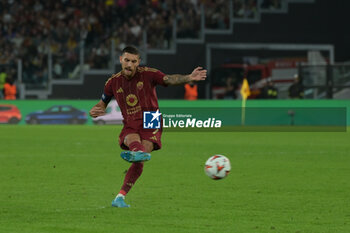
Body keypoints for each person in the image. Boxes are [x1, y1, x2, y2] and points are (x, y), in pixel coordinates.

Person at [89, 46, 207, 208]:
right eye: (127, 60)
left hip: (151, 118)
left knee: (141, 157)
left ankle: (124, 186)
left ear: (138, 62)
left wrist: (189, 77)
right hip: (130, 120)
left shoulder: (148, 74)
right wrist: (96, 110)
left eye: (133, 61)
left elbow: (169, 79)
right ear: (120, 60)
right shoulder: (112, 83)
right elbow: (102, 104)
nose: (129, 64)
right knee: (133, 142)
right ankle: (124, 187)